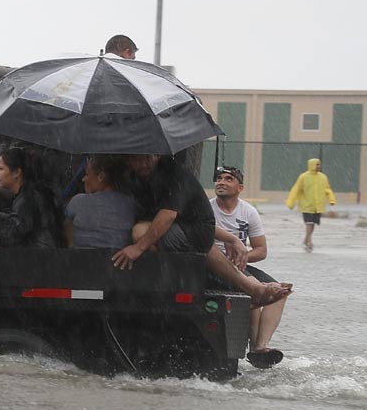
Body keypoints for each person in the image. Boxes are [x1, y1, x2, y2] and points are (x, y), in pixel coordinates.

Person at [112, 154, 292, 308]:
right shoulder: (137, 178)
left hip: (196, 235)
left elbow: (167, 216)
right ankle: (255, 290)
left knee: (139, 232)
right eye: (137, 160)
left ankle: (256, 295)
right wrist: (232, 238)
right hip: (198, 237)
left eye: (147, 158)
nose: (143, 164)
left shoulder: (172, 174)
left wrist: (138, 248)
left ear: (157, 156)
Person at [211, 165, 288, 368]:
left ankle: (261, 347)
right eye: (219, 178)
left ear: (240, 187)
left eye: (228, 179)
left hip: (240, 264)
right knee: (254, 287)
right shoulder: (207, 209)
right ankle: (255, 348)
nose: (221, 182)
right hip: (215, 266)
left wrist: (243, 256)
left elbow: (261, 250)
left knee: (281, 290)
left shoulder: (249, 212)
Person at [64, 155, 135, 248]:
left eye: (87, 174)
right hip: (117, 261)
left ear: (101, 177)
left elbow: (67, 222)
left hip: (80, 260)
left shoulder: (78, 202)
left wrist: (71, 246)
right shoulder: (130, 204)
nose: (83, 179)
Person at [286, 157, 336, 250]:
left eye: (319, 164)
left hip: (318, 206)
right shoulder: (303, 177)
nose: (319, 166)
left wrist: (332, 200)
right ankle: (309, 241)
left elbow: (327, 189)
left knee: (313, 224)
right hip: (306, 205)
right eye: (317, 164)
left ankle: (306, 238)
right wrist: (290, 203)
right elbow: (296, 189)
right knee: (309, 223)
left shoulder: (323, 177)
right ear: (312, 165)